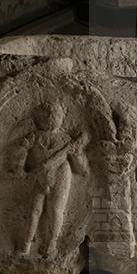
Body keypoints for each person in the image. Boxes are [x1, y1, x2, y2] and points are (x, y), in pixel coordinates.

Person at [15, 102, 89, 256]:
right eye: (48, 115)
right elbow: (20, 151)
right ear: (40, 117)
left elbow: (82, 169)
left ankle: (51, 243)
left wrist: (76, 153)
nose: (52, 118)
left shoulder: (66, 139)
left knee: (55, 210)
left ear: (62, 117)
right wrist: (20, 168)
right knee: (34, 210)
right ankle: (26, 244)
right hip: (40, 175)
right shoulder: (35, 136)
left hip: (61, 174)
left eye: (56, 115)